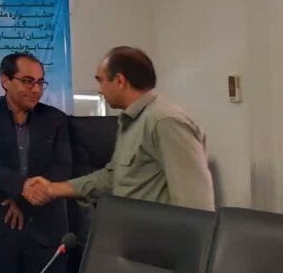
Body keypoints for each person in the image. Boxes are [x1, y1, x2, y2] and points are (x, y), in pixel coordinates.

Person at [24, 46, 215, 211]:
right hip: (131, 235)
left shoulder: (165, 121)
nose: (99, 89)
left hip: (161, 241)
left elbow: (196, 204)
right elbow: (113, 177)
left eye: (101, 80)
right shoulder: (131, 121)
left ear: (119, 81)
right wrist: (52, 189)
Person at [0, 53, 71, 273]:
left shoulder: (56, 119)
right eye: (28, 81)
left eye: (40, 82)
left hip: (44, 226)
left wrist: (23, 200)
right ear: (5, 80)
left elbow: (62, 168)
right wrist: (21, 188)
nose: (36, 89)